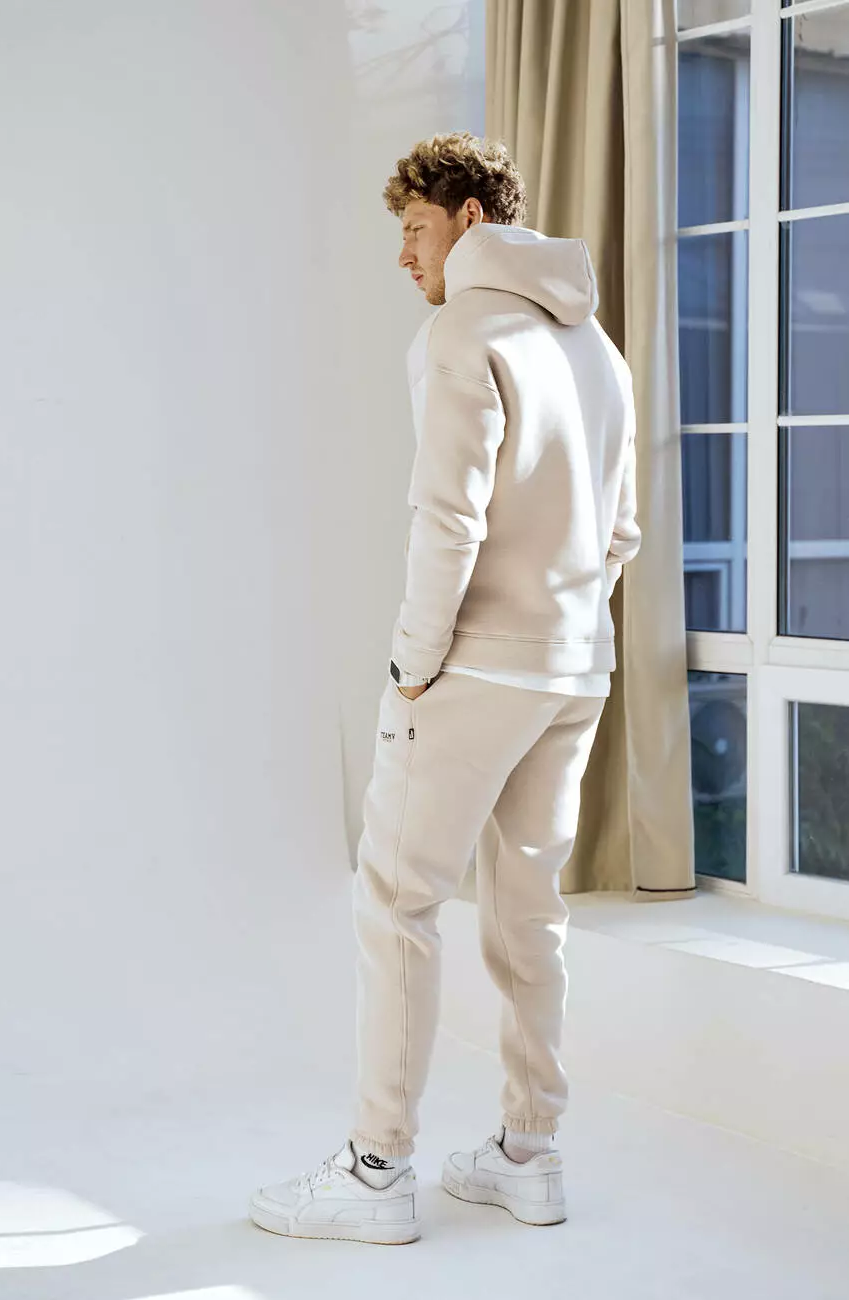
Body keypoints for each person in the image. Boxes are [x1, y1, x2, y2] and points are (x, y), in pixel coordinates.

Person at [249, 132, 641, 1245]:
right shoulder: (597, 347)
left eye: (416, 229)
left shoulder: (463, 330)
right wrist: (564, 621)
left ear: (472, 218)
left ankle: (376, 1170)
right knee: (529, 911)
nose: (404, 255)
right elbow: (622, 529)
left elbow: (448, 516)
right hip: (576, 663)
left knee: (396, 900)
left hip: (475, 664)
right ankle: (528, 1153)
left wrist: (415, 660)